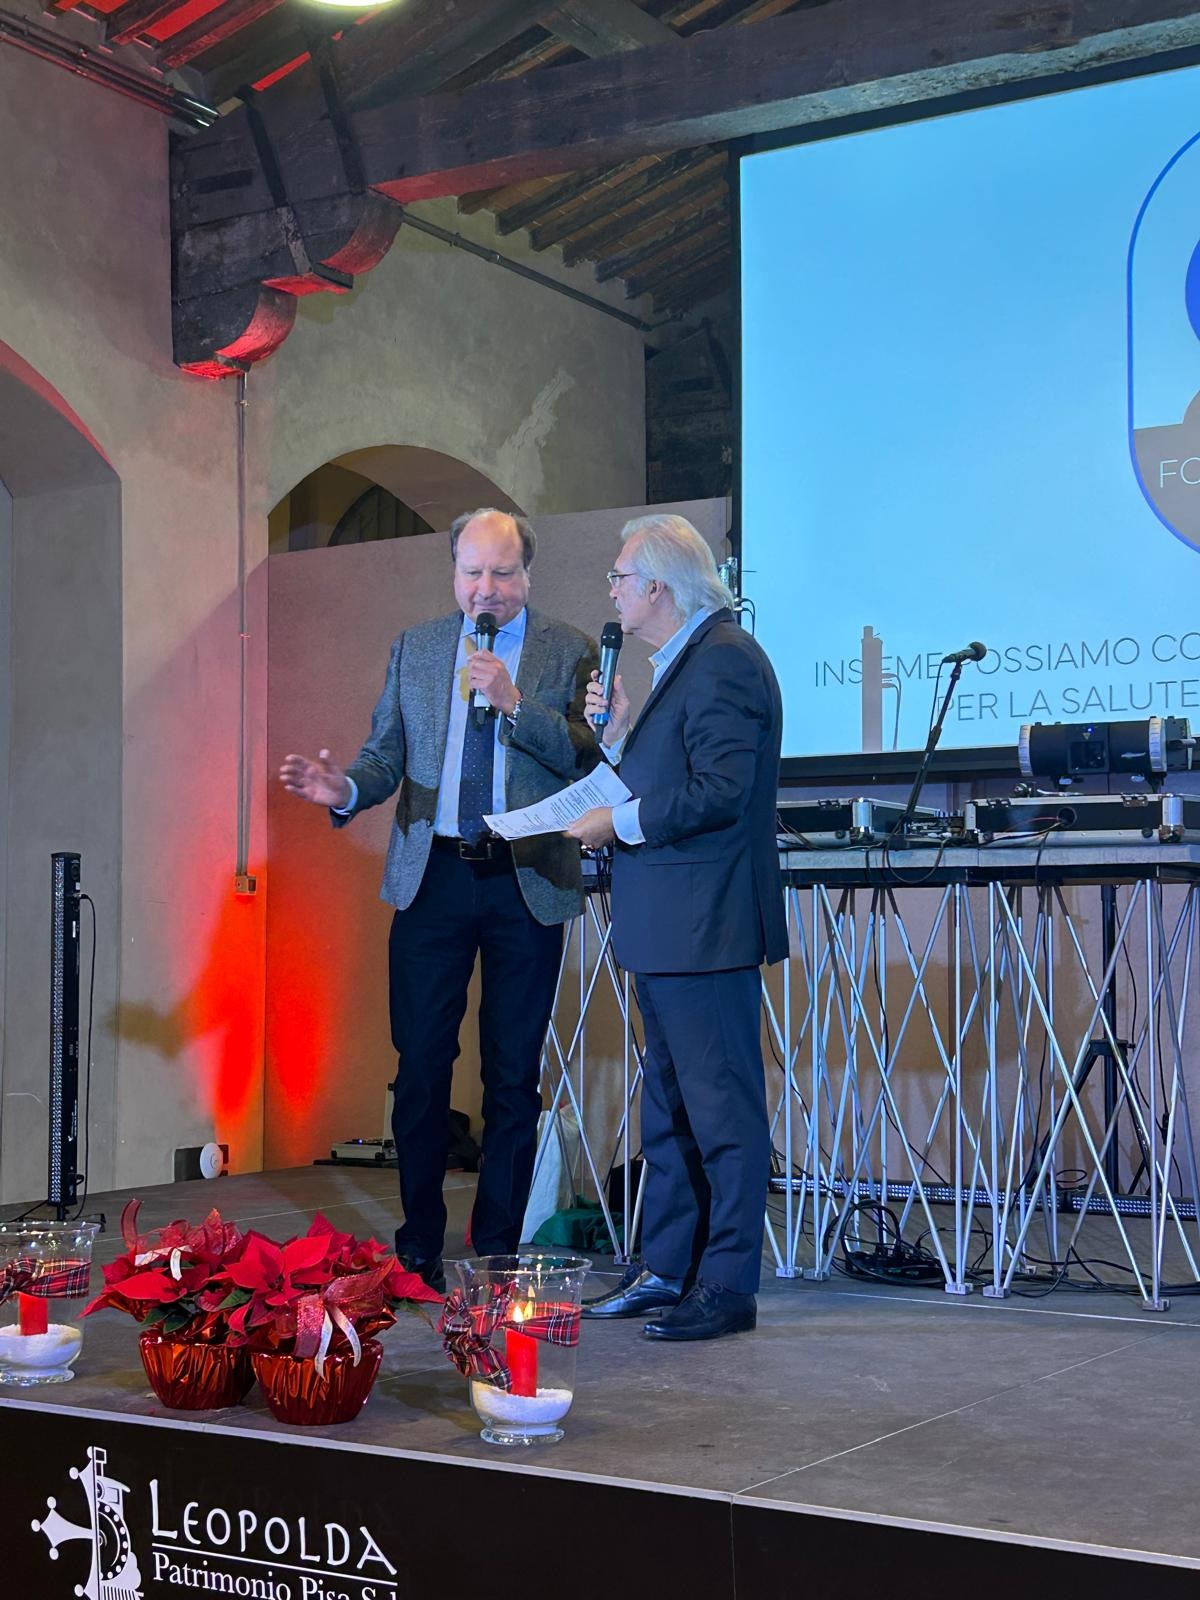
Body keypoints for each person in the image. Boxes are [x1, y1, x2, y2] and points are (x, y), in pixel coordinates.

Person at [280, 509, 598, 1294]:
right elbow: (385, 754)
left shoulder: (568, 649)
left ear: (527, 575)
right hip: (434, 877)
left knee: (512, 1076)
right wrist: (344, 789)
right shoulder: (417, 648)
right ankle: (418, 1242)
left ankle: (496, 1248)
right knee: (421, 1067)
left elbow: (585, 757)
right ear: (453, 572)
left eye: (501, 573)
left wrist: (514, 701)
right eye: (471, 572)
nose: (484, 589)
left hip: (526, 876)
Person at [566, 514, 786, 1341]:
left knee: (721, 1114)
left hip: (706, 925)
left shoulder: (724, 659)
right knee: (668, 1111)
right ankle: (666, 1268)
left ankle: (725, 1285)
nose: (613, 591)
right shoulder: (684, 664)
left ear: (658, 588)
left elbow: (721, 791)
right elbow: (669, 779)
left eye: (620, 577)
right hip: (669, 927)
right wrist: (621, 735)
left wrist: (613, 825)